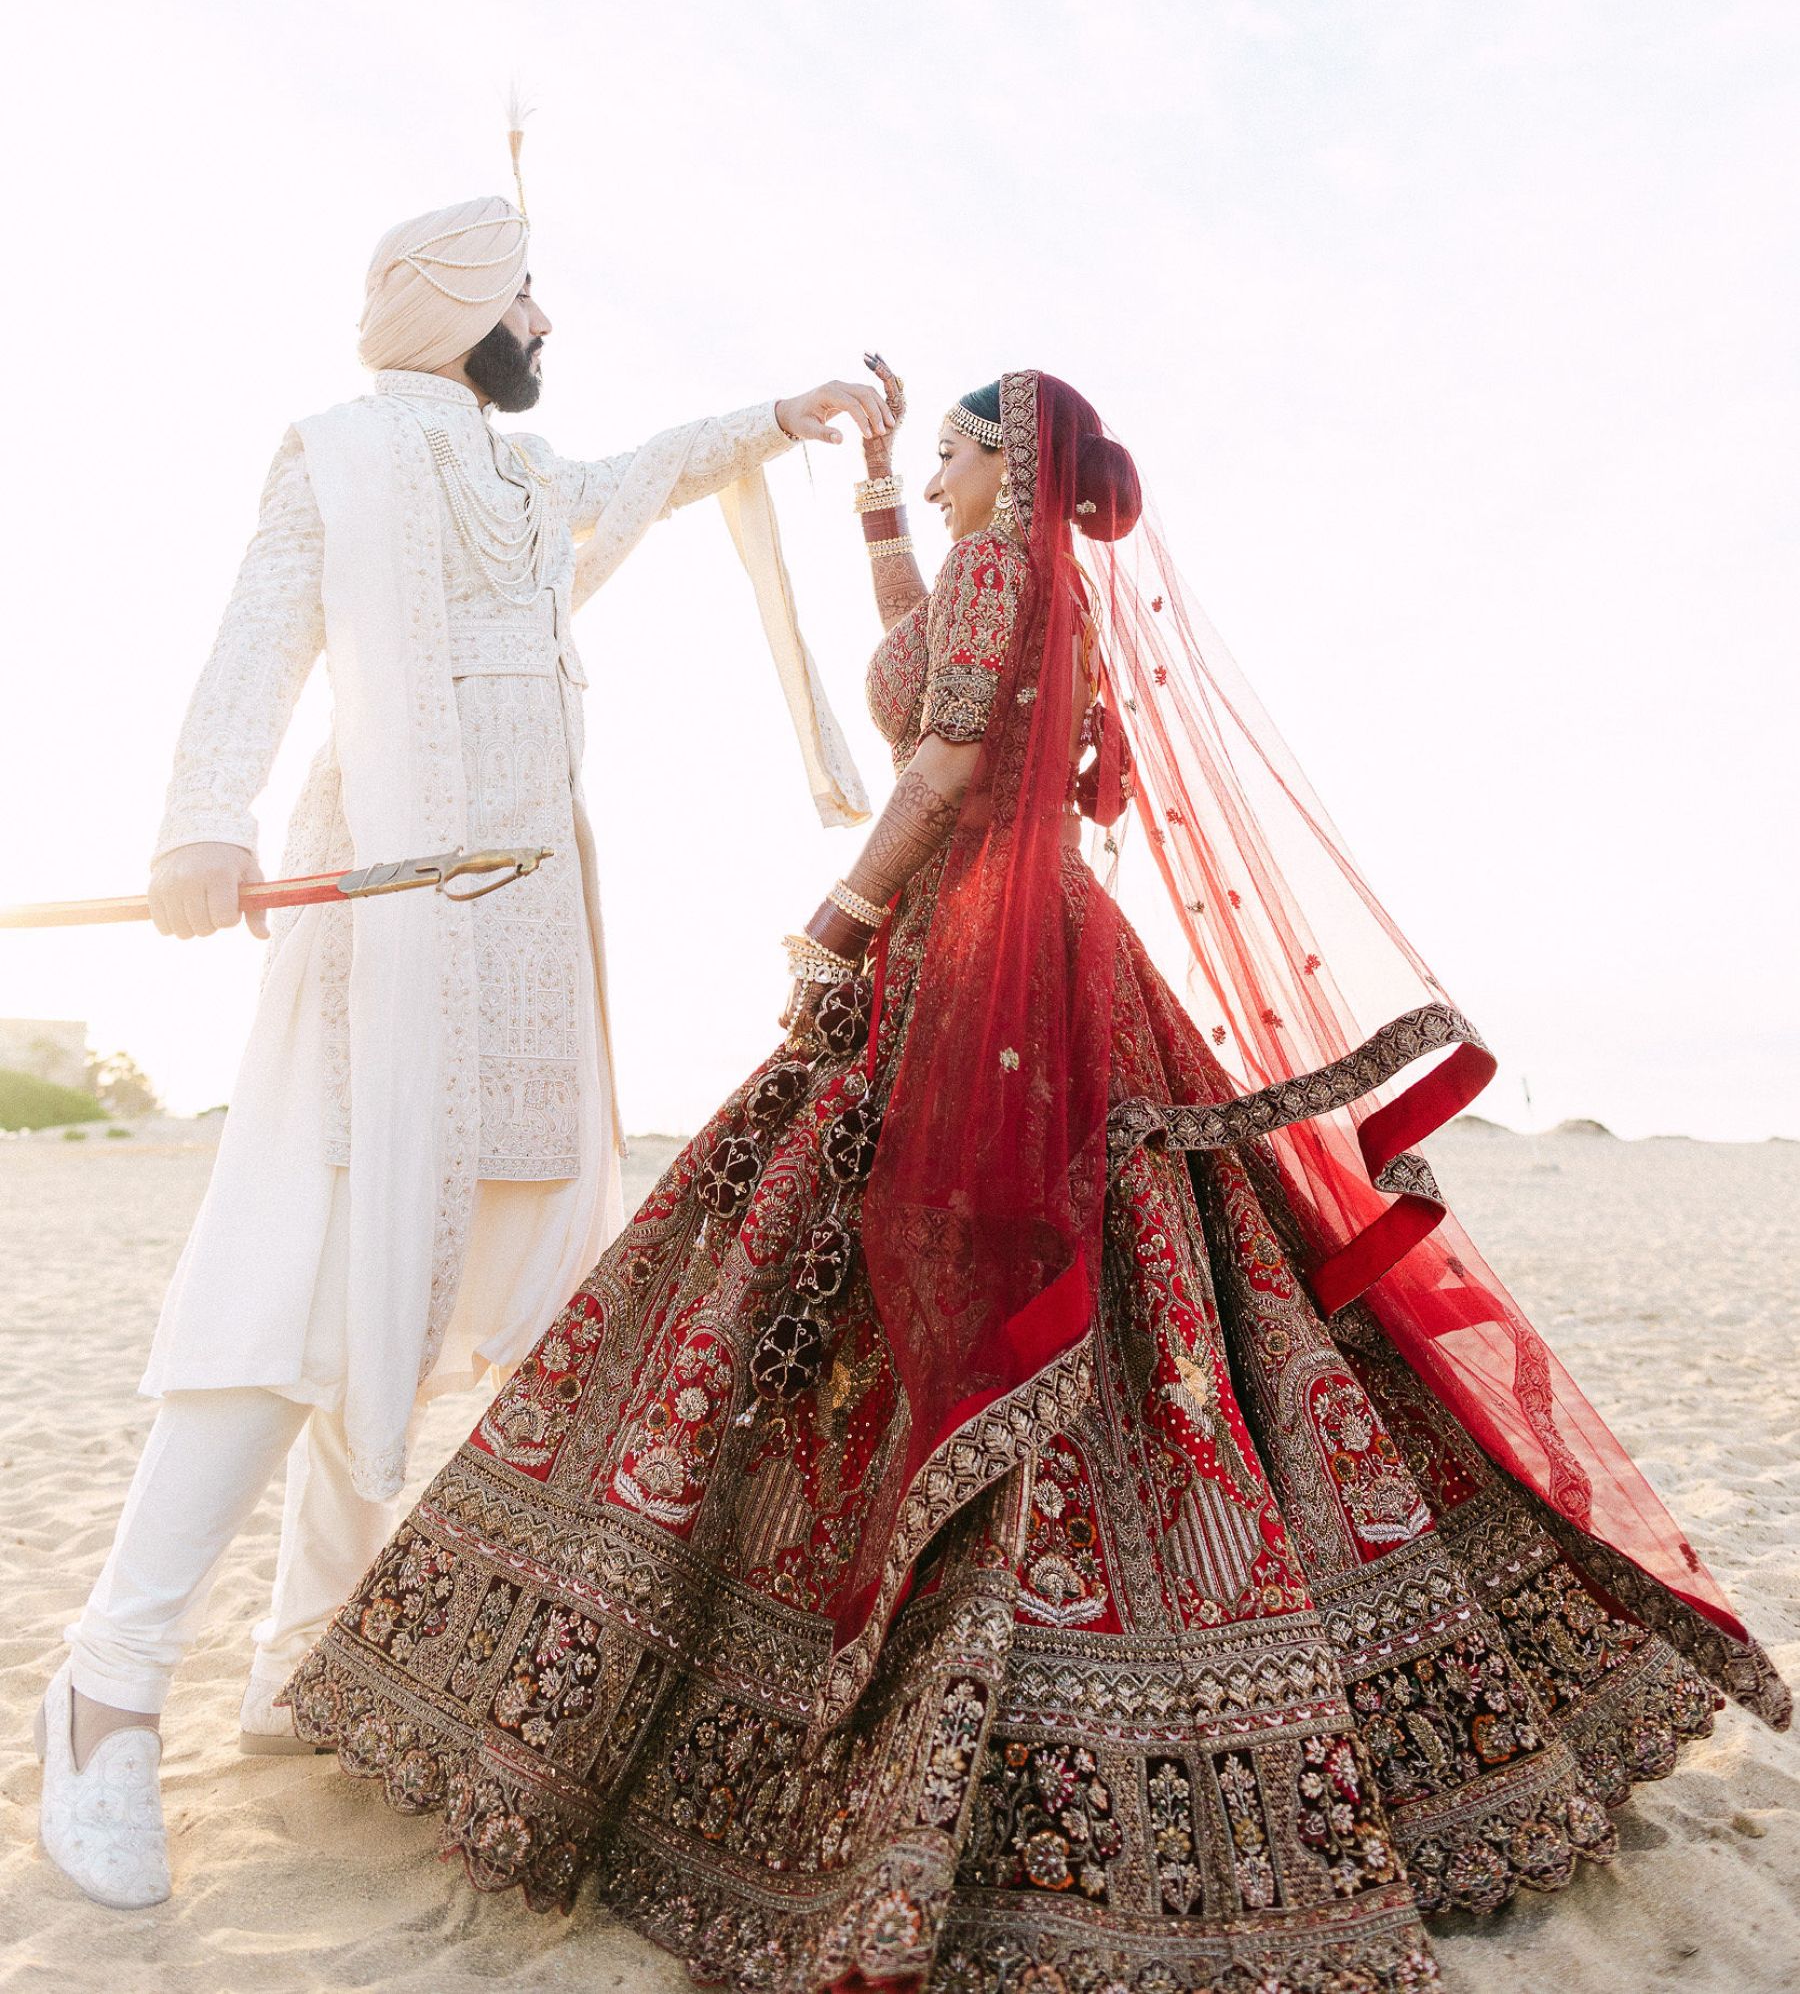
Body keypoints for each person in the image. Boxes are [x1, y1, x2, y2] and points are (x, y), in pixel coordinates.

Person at [289, 367, 1789, 1994]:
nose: (929, 469)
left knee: (937, 1259)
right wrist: (868, 488)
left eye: (943, 448)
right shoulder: (1016, 576)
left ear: (1007, 465)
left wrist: (837, 923)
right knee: (1151, 1268)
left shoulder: (1005, 575)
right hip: (1022, 926)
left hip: (980, 945)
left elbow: (935, 768)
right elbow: (924, 669)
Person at [35, 183, 889, 1912]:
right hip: (380, 913)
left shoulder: (525, 482)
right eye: (527, 297)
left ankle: (299, 1662)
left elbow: (642, 470)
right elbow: (259, 638)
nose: (549, 324)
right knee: (300, 1266)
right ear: (459, 314)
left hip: (523, 928)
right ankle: (105, 1689)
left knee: (429, 1281)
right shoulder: (340, 454)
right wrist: (200, 826)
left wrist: (783, 416)